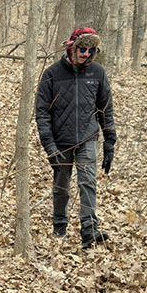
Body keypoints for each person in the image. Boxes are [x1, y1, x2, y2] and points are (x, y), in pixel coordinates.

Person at [35, 27, 117, 248]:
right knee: (61, 185)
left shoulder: (97, 72)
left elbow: (106, 108)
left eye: (91, 50)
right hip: (60, 140)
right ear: (72, 47)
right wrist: (49, 146)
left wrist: (110, 142)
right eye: (83, 49)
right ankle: (59, 227)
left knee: (88, 182)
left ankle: (89, 230)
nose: (86, 54)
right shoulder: (52, 74)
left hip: (87, 138)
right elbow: (42, 113)